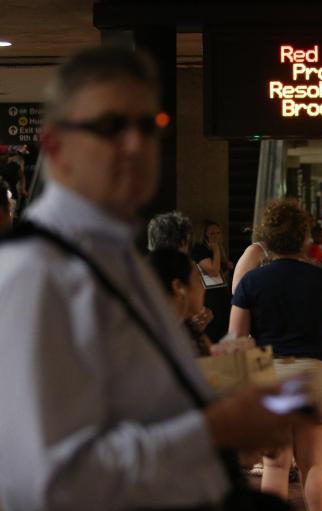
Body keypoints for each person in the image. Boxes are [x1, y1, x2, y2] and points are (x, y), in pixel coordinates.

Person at [0, 45, 306, 510]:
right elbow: (46, 481)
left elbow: (136, 409)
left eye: (149, 126)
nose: (135, 146)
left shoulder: (116, 257)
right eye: (109, 127)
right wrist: (216, 428)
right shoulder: (36, 275)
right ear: (56, 146)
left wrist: (222, 393)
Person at [230, 198, 322, 511]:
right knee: (313, 463)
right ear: (304, 237)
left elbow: (237, 338)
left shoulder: (252, 281)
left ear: (267, 237)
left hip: (270, 372)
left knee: (275, 465)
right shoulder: (321, 277)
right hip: (314, 369)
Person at [147, 248, 213, 356]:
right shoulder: (157, 342)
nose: (204, 288)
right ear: (178, 287)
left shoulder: (186, 329)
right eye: (198, 279)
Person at [192, 219, 233, 340]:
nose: (216, 236)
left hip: (221, 293)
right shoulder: (200, 249)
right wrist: (216, 250)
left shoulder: (217, 248)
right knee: (213, 331)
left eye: (218, 233)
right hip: (210, 297)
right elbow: (213, 271)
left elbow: (219, 273)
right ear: (204, 234)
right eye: (212, 233)